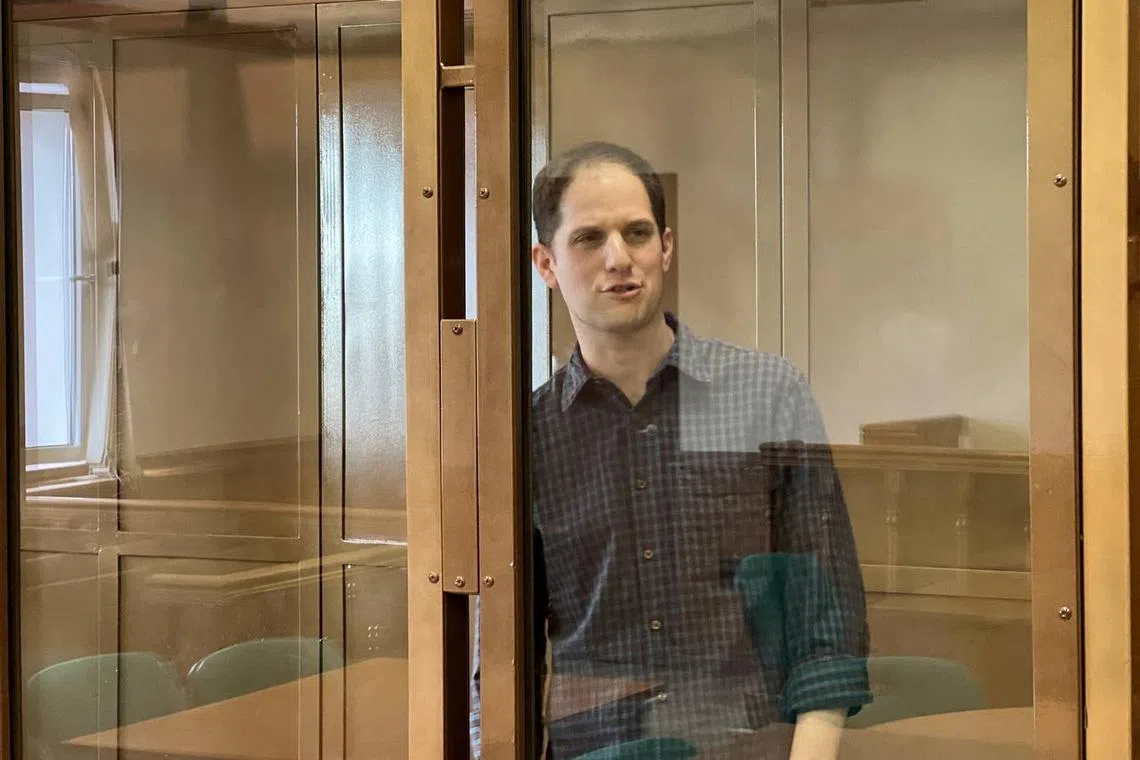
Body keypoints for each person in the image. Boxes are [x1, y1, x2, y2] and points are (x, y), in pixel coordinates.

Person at [472, 142, 870, 760]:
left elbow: (825, 622)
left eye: (637, 233)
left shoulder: (768, 395)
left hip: (745, 749)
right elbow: (499, 668)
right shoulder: (525, 437)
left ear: (666, 247)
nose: (619, 258)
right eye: (589, 239)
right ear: (546, 263)